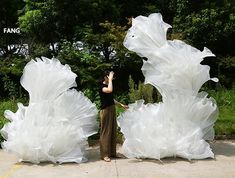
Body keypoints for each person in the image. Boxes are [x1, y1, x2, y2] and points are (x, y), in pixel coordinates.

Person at [99, 71, 128, 162]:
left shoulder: (107, 86)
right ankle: (104, 155)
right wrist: (110, 80)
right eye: (109, 77)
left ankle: (112, 153)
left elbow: (111, 99)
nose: (112, 79)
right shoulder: (102, 87)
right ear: (105, 77)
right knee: (105, 132)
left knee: (112, 131)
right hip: (106, 111)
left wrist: (121, 105)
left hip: (112, 110)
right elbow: (110, 90)